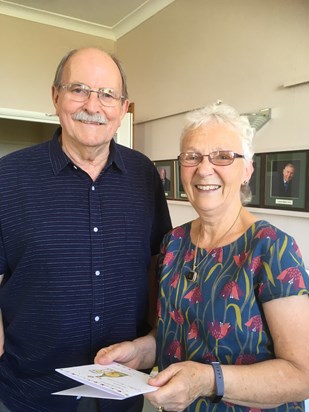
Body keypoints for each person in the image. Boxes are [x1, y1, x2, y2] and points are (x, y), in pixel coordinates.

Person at [95, 103, 309, 412]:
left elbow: (301, 374)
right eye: (191, 157)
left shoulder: (271, 248)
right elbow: (170, 334)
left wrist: (209, 380)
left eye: (223, 156)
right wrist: (137, 351)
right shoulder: (172, 244)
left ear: (247, 169)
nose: (204, 169)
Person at [0, 47, 172, 412]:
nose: (93, 105)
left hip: (121, 389)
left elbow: (157, 264)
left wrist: (157, 336)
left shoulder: (145, 176)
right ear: (55, 96)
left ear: (123, 107)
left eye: (108, 94)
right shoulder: (8, 177)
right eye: (79, 89)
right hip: (32, 391)